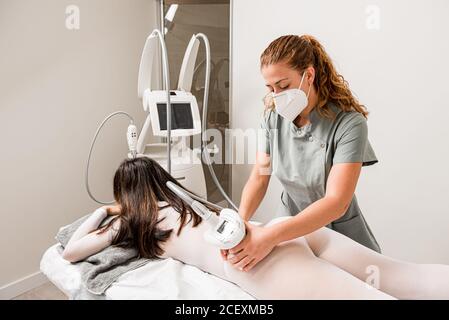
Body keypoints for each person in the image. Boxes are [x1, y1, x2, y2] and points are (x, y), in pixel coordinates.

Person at [62, 157, 449, 299]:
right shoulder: (185, 201)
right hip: (279, 231)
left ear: (126, 197)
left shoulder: (133, 222)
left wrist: (106, 212)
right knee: (402, 277)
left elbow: (71, 252)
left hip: (256, 261)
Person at [228, 34, 383, 272]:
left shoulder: (349, 124)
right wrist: (239, 224)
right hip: (288, 222)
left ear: (308, 75)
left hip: (337, 229)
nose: (277, 96)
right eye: (271, 88)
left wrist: (270, 236)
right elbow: (260, 176)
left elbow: (336, 202)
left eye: (283, 85)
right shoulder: (272, 118)